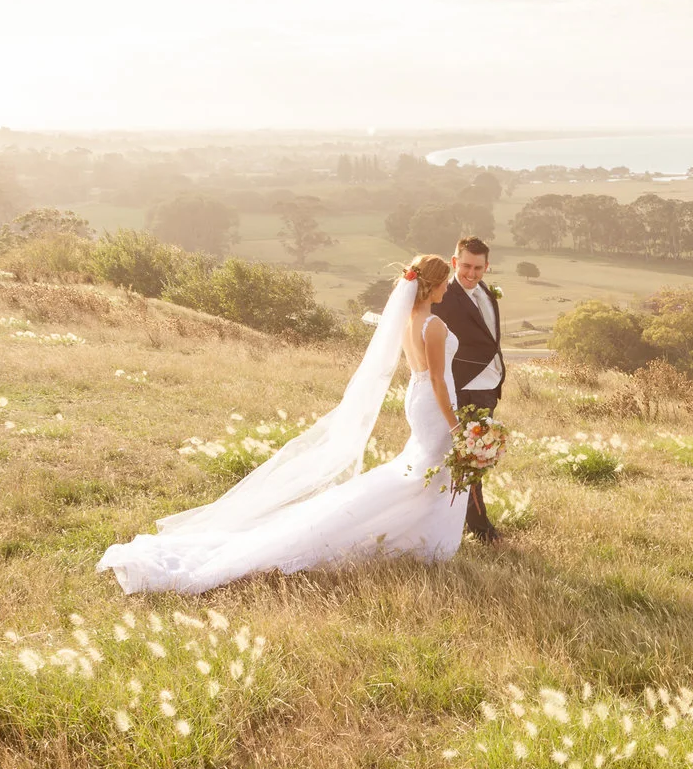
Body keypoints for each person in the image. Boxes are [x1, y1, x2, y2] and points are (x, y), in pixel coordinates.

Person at [96, 254, 469, 595]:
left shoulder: (408, 320)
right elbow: (438, 379)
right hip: (436, 405)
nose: (448, 287)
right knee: (423, 473)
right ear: (433, 284)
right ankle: (418, 542)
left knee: (422, 473)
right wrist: (455, 426)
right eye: (446, 281)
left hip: (419, 402)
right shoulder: (433, 325)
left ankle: (417, 539)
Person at [431, 235, 506, 540]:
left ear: (487, 267)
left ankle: (460, 520)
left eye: (478, 267)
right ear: (454, 263)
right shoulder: (444, 297)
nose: (471, 274)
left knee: (475, 457)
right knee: (472, 457)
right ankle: (479, 528)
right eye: (465, 266)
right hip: (464, 388)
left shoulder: (486, 290)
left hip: (489, 386)